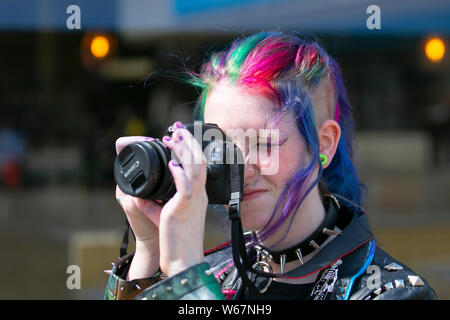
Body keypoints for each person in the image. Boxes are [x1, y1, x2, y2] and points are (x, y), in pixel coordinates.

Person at [104, 31, 437, 300]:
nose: (241, 168)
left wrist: (187, 277)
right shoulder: (214, 272)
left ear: (324, 144)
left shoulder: (392, 291)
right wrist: (148, 248)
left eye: (264, 143)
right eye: (221, 147)